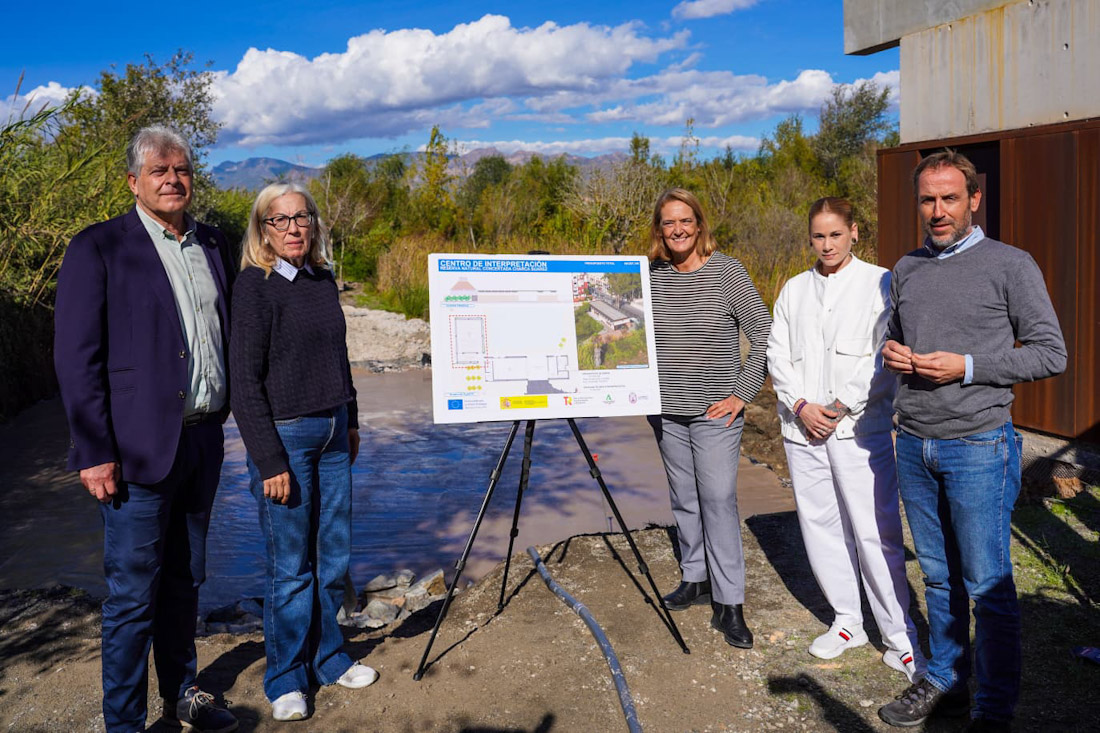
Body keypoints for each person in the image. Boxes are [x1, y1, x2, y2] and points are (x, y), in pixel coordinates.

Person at [53, 125, 238, 733]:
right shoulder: (99, 247)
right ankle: (125, 723)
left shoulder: (214, 243)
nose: (172, 179)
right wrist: (93, 451)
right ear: (134, 181)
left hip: (202, 440)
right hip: (133, 453)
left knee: (187, 581)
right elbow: (77, 359)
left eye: (181, 169)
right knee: (133, 597)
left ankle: (183, 692)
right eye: (158, 170)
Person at [877, 150, 1066, 731]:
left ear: (974, 199)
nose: (938, 211)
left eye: (950, 198)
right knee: (937, 576)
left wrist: (965, 366)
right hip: (913, 442)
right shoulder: (906, 269)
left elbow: (1049, 352)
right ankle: (946, 682)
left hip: (979, 445)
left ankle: (993, 708)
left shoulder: (1011, 264)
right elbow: (897, 337)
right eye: (928, 199)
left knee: (988, 585)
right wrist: (891, 353)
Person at [229, 182, 376, 722]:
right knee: (290, 567)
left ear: (312, 224)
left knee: (333, 557)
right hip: (286, 438)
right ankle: (286, 678)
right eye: (280, 219)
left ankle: (330, 658)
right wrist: (269, 459)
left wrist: (352, 420)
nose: (293, 228)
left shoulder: (320, 279)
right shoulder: (254, 287)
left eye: (301, 218)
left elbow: (339, 357)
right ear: (263, 229)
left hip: (335, 433)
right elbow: (244, 381)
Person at [767, 197, 924, 682]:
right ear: (809, 238)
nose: (827, 244)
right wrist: (801, 406)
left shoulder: (880, 282)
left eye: (836, 234)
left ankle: (900, 638)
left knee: (875, 533)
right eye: (819, 235)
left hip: (859, 428)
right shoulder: (794, 290)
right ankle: (847, 622)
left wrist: (838, 407)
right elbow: (778, 354)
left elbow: (883, 353)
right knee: (820, 526)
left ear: (855, 232)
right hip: (802, 428)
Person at [646, 188, 772, 649]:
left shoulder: (727, 271)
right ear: (659, 229)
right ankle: (696, 577)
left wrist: (742, 393)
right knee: (684, 496)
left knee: (717, 497)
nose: (677, 229)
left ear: (699, 224)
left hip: (716, 409)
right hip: (665, 410)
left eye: (685, 220)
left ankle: (730, 603)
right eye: (668, 222)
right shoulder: (651, 276)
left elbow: (762, 332)